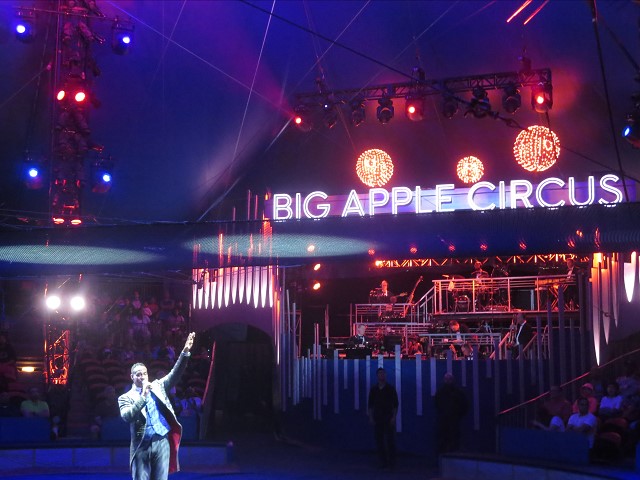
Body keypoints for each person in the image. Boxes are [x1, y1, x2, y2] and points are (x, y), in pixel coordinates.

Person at [118, 332, 195, 480]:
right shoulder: (125, 397)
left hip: (161, 440)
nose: (142, 377)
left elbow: (175, 374)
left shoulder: (158, 386)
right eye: (138, 374)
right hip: (142, 445)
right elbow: (127, 416)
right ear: (132, 377)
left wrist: (185, 352)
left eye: (144, 373)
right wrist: (143, 397)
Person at [367, 367, 398, 469]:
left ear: (385, 375)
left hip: (388, 417)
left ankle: (392, 462)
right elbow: (370, 405)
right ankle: (383, 461)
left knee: (390, 440)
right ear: (377, 376)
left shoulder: (390, 389)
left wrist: (393, 417)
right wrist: (371, 417)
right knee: (379, 440)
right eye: (380, 373)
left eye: (383, 373)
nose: (382, 375)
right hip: (377, 418)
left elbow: (395, 404)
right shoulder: (374, 390)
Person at [434, 372, 468, 453]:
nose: (448, 381)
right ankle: (450, 452)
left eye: (449, 379)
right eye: (447, 379)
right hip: (450, 419)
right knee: (449, 437)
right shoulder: (457, 392)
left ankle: (446, 453)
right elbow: (465, 405)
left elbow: (437, 404)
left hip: (448, 418)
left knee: (448, 437)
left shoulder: (441, 392)